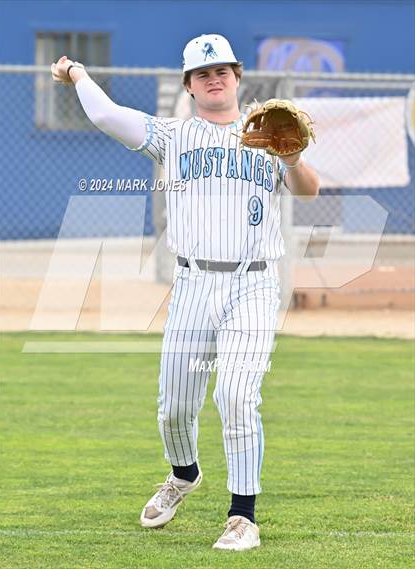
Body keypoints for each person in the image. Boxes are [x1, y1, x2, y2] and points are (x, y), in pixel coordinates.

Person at [51, 33, 319, 551]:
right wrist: (79, 74)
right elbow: (107, 117)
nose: (213, 78)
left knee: (236, 395)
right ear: (190, 87)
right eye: (202, 73)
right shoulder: (172, 137)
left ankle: (243, 517)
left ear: (238, 78)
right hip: (194, 284)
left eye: (222, 70)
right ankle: (183, 474)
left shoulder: (268, 136)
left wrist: (291, 157)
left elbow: (309, 190)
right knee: (174, 407)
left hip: (254, 282)